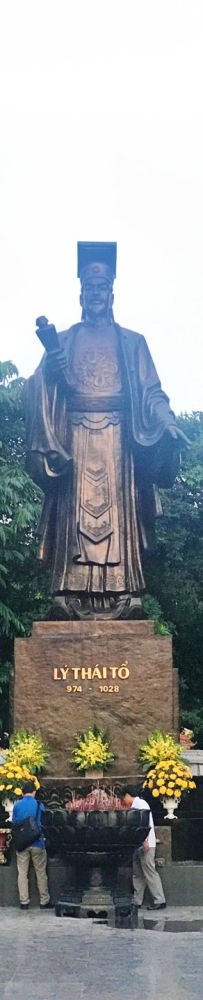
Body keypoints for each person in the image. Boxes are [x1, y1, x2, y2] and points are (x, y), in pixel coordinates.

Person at [24, 241, 189, 620]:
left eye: (101, 288)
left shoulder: (131, 342)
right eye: (89, 288)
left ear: (111, 292)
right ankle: (66, 593)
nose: (95, 294)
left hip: (118, 443)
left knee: (118, 519)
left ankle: (126, 592)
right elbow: (36, 387)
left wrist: (166, 422)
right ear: (81, 293)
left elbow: (152, 393)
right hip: (75, 439)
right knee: (75, 516)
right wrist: (50, 374)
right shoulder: (62, 341)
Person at [119, 784, 166, 910]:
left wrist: (144, 840)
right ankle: (137, 901)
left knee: (149, 871)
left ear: (127, 796)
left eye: (123, 798)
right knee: (137, 873)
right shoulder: (136, 806)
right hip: (138, 844)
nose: (123, 802)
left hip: (146, 843)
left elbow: (144, 824)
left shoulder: (141, 805)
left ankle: (159, 900)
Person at [12, 780, 52, 910]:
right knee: (41, 872)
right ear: (34, 792)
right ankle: (44, 901)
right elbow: (43, 823)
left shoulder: (17, 805)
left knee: (22, 873)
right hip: (37, 842)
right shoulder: (39, 805)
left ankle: (24, 902)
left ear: (22, 793)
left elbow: (15, 823)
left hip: (22, 844)